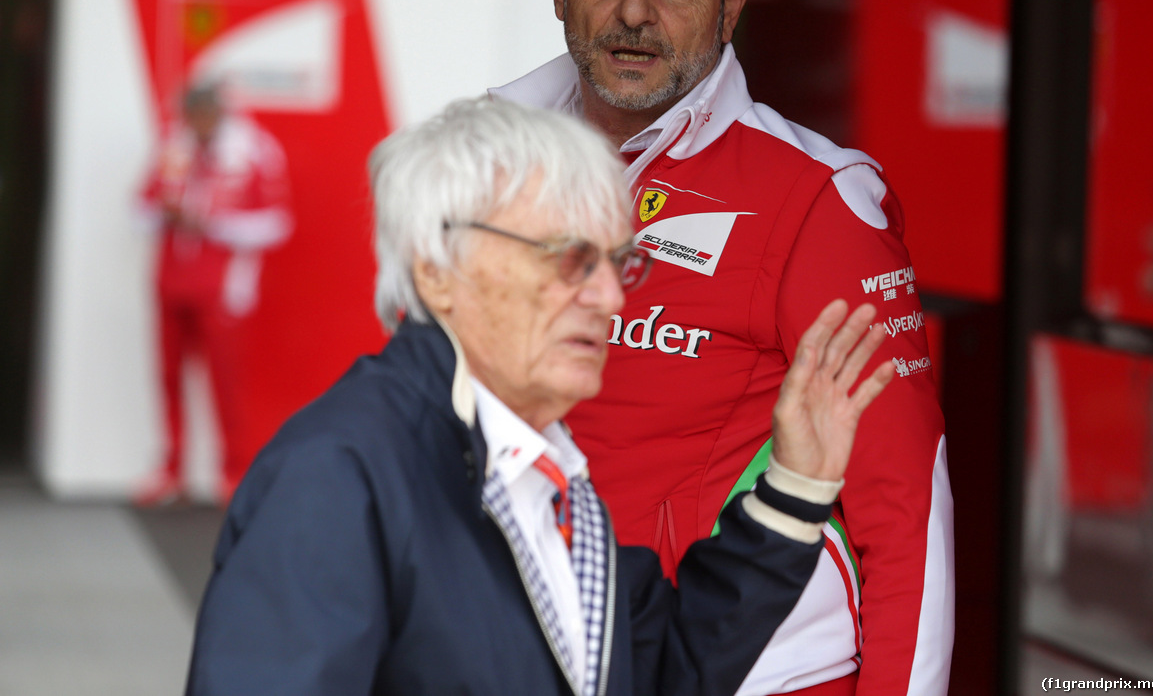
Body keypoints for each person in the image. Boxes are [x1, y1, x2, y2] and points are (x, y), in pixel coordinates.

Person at [184, 97, 895, 696]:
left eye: (619, 262)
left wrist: (797, 486)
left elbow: (659, 670)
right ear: (437, 269)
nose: (610, 297)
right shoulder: (341, 474)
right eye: (568, 258)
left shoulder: (544, 473)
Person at [489, 0, 955, 694]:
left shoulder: (818, 198)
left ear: (729, 4)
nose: (634, 10)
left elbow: (905, 500)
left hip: (750, 668)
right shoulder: (489, 159)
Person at [135, 83, 292, 506]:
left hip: (224, 288)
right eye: (191, 116)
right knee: (167, 377)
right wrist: (162, 213)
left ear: (220, 112)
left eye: (205, 115)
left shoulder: (255, 151)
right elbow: (139, 209)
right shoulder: (174, 148)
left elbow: (277, 222)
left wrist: (211, 223)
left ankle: (235, 471)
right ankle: (172, 470)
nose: (197, 125)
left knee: (227, 383)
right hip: (171, 280)